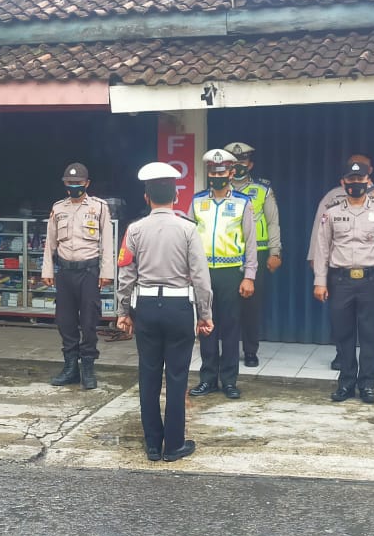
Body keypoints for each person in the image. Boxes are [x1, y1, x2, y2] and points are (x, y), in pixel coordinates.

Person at [116, 161, 214, 462]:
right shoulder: (188, 229)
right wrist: (205, 314)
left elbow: (126, 274)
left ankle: (152, 445)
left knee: (148, 375)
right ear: (176, 196)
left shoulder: (134, 230)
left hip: (146, 308)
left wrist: (123, 311)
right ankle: (173, 445)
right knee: (176, 376)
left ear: (146, 197)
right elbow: (200, 277)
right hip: (178, 309)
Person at [312, 157, 374, 404]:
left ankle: (367, 385)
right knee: (343, 334)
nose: (355, 183)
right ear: (343, 182)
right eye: (351, 179)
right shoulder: (331, 213)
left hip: (370, 280)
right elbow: (322, 248)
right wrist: (320, 280)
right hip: (340, 281)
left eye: (360, 179)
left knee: (370, 334)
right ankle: (346, 383)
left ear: (367, 180)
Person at [187, 148, 257, 400]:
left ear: (230, 172)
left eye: (221, 173)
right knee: (205, 325)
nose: (217, 177)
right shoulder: (197, 201)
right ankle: (207, 379)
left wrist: (249, 275)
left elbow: (250, 242)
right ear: (209, 173)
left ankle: (229, 380)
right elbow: (188, 238)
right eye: (213, 173)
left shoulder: (242, 202)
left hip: (231, 273)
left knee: (230, 327)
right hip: (203, 273)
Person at [42, 162, 114, 390]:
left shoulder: (99, 207)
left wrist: (107, 272)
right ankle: (70, 367)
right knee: (65, 321)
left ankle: (88, 368)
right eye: (70, 183)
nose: (74, 186)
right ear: (65, 184)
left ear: (87, 183)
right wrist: (47, 270)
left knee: (90, 321)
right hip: (65, 272)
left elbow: (107, 242)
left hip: (89, 272)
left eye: (78, 183)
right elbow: (50, 242)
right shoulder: (58, 208)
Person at [224, 142, 281, 368]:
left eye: (243, 162)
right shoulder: (218, 189)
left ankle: (250, 351)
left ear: (250, 164)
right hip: (228, 255)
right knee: (228, 307)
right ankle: (228, 350)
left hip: (257, 253)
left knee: (252, 306)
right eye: (234, 162)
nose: (238, 166)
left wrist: (275, 252)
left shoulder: (262, 189)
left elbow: (273, 222)